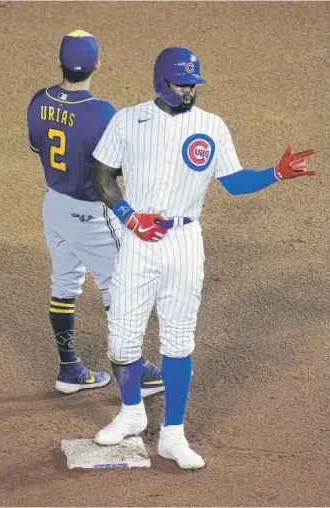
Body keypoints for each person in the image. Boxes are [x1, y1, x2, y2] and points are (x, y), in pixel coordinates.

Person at [90, 46, 317, 469]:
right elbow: (101, 173)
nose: (190, 91)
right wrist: (129, 217)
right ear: (161, 82)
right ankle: (131, 413)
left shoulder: (211, 126)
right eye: (182, 84)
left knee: (178, 340)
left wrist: (276, 173)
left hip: (185, 244)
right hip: (139, 241)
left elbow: (233, 182)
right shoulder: (128, 120)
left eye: (194, 84)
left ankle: (173, 434)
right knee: (122, 339)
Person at [27, 30, 164, 397]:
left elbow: (36, 146)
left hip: (54, 205)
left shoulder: (39, 101)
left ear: (59, 62)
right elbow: (116, 170)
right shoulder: (102, 112)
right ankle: (135, 371)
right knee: (118, 287)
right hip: (90, 212)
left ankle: (69, 368)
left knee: (64, 283)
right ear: (97, 64)